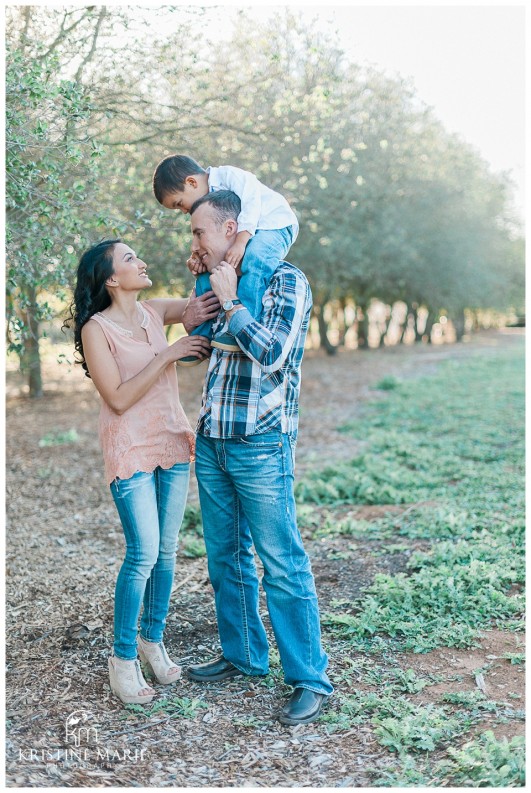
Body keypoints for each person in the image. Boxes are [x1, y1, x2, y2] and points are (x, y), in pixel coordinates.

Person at [182, 191, 333, 726]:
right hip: (213, 438)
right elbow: (200, 347)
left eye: (199, 233)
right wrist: (200, 299)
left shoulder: (287, 281)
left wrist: (231, 302)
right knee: (225, 558)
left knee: (282, 563)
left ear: (231, 229)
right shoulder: (218, 280)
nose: (194, 243)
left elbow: (273, 354)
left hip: (261, 443)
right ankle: (244, 655)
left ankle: (309, 678)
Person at [67, 239, 215, 705]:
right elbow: (117, 398)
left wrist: (204, 264)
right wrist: (168, 355)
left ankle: (152, 640)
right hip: (130, 446)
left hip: (170, 439)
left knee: (167, 552)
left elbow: (199, 304)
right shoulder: (96, 329)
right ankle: (123, 658)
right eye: (130, 258)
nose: (141, 261)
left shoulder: (153, 311)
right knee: (143, 553)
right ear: (112, 278)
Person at [152, 154, 299, 363]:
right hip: (247, 233)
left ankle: (242, 324)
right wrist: (197, 257)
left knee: (255, 259)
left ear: (192, 182)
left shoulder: (228, 175)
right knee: (208, 271)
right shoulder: (208, 202)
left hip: (274, 224)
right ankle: (202, 338)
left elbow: (251, 202)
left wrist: (240, 242)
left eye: (179, 204)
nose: (183, 211)